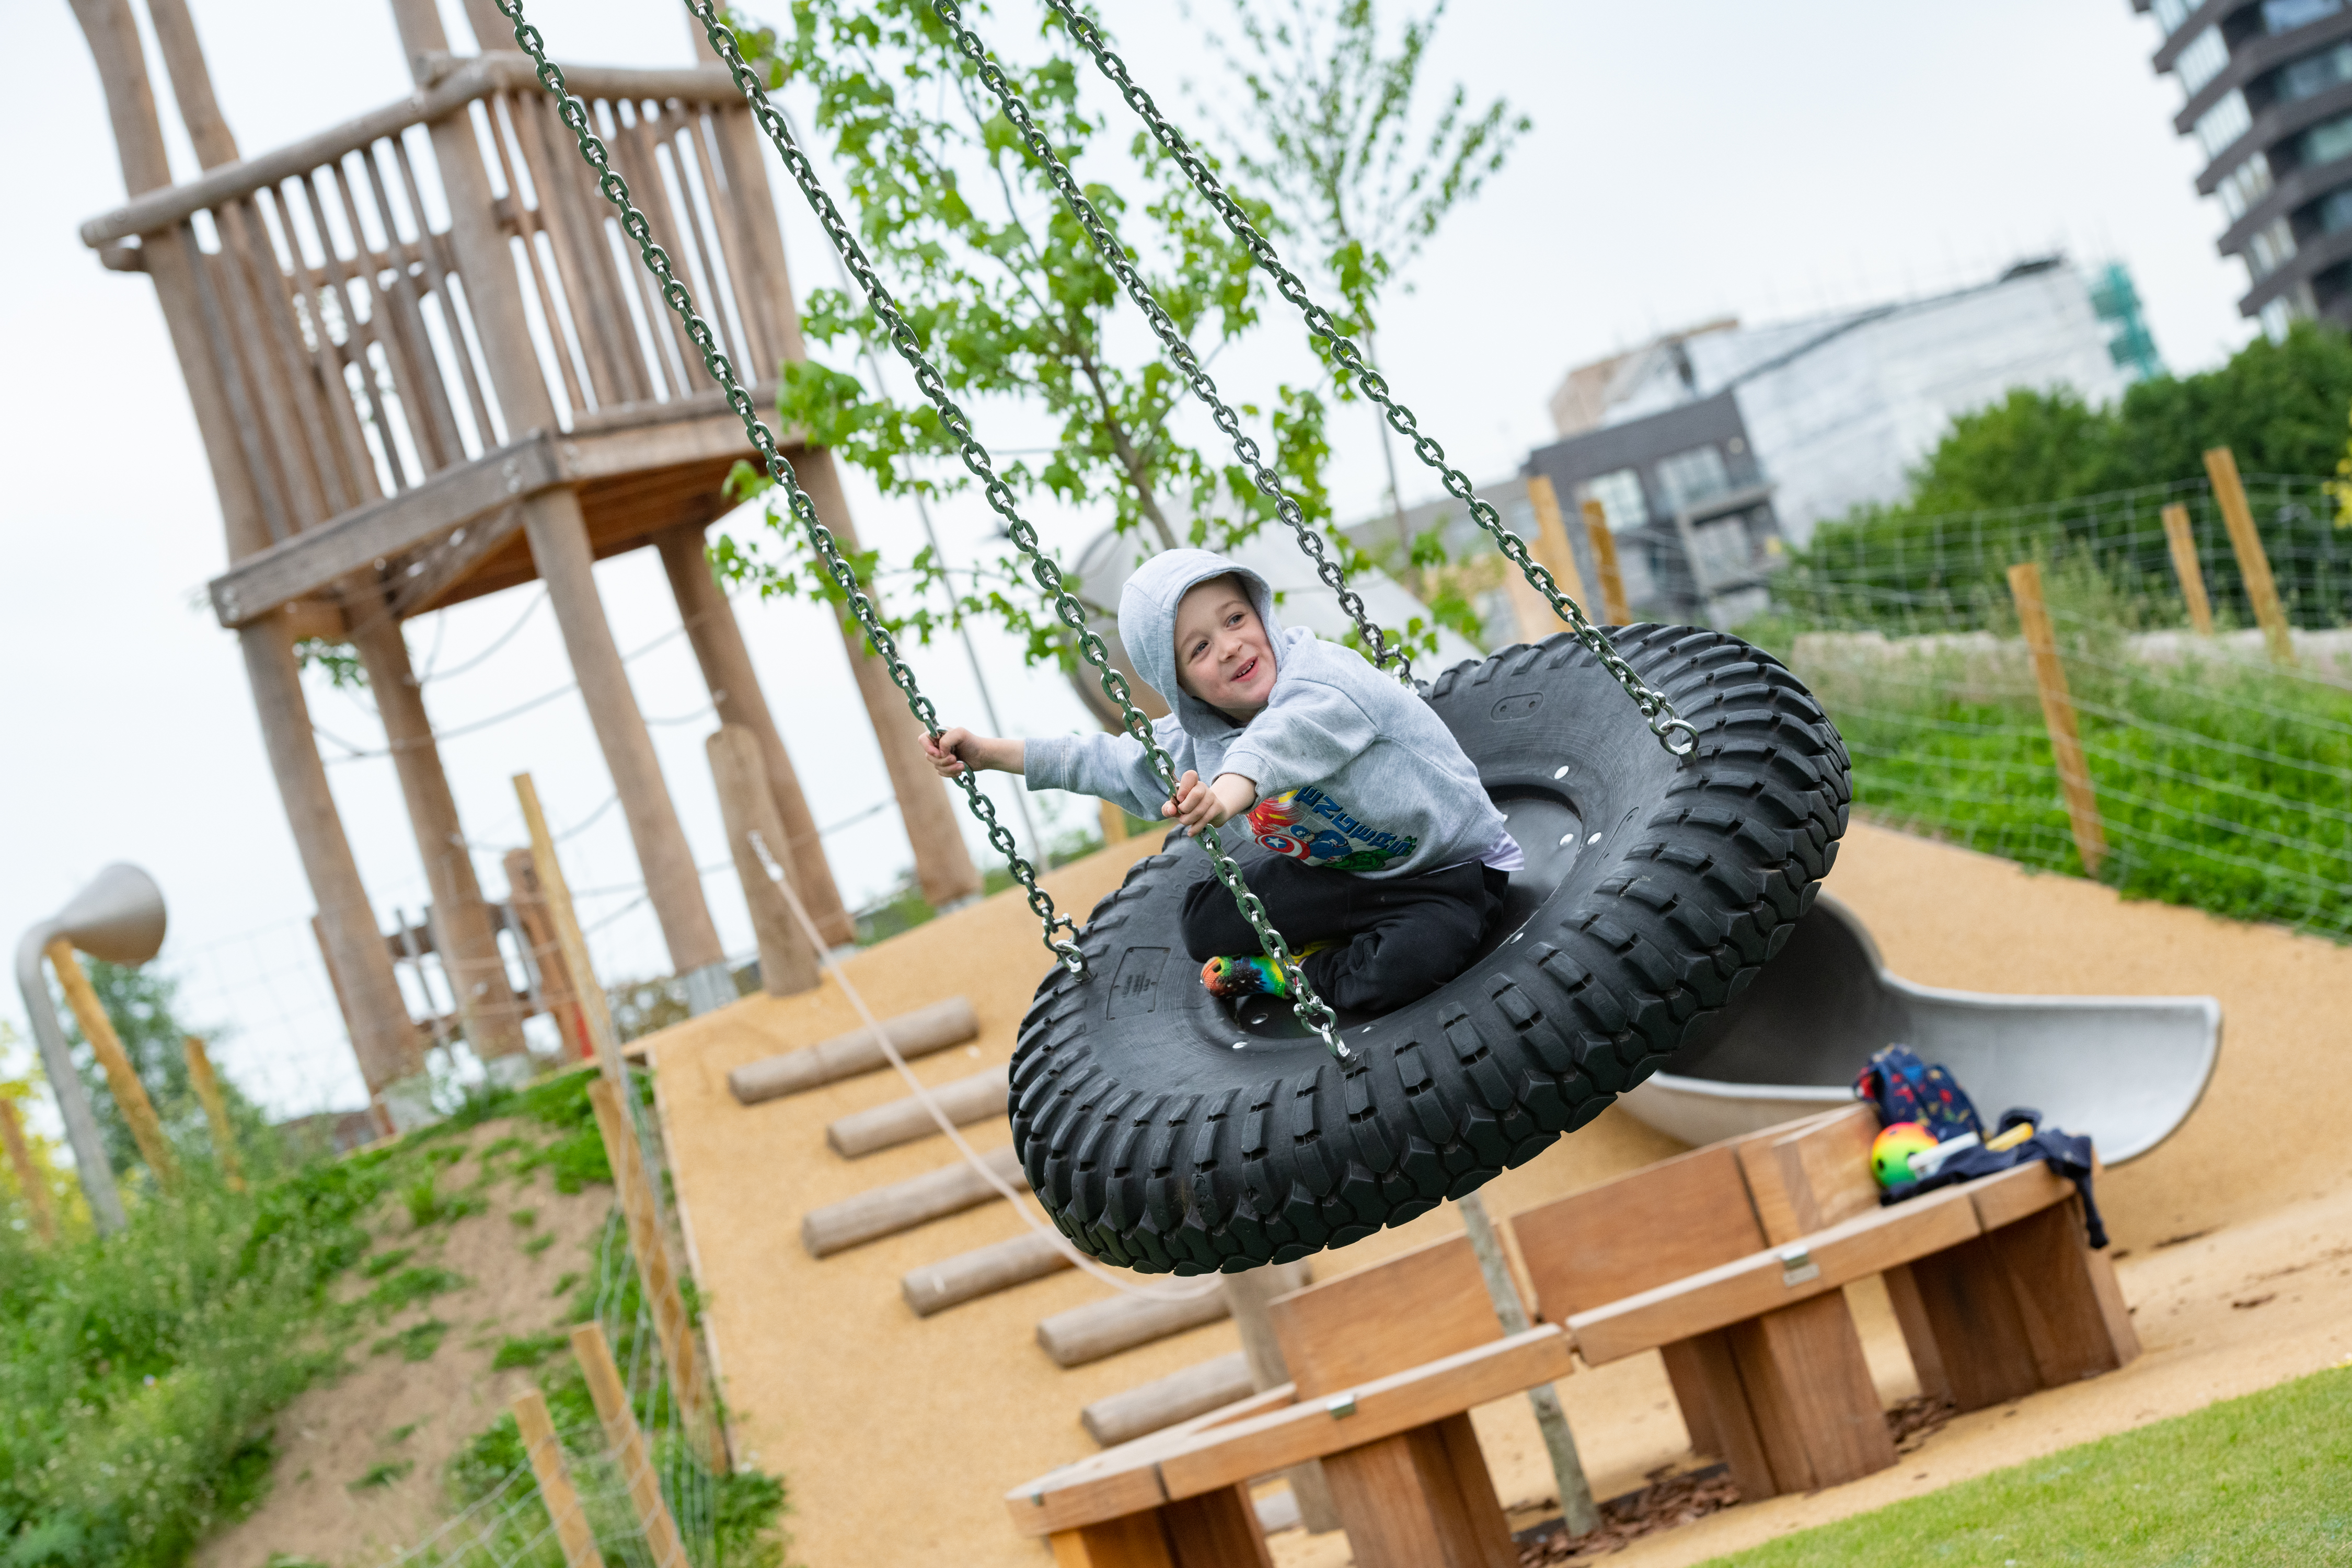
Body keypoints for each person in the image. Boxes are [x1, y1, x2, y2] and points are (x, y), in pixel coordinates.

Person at [922, 548, 1522, 1014]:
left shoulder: (1325, 682)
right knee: (1204, 923)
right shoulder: (1197, 742)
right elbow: (1102, 761)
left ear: (1259, 611)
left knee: (1414, 961)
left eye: (1235, 618)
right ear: (1180, 682)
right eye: (1200, 649)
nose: (1231, 647)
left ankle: (1295, 977)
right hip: (1348, 875)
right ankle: (1335, 933)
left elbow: (1278, 743)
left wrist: (1227, 793)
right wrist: (986, 752)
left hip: (1450, 867)